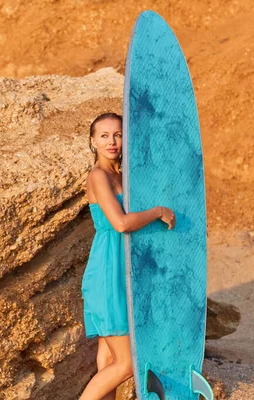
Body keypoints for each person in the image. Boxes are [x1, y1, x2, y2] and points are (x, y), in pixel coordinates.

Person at [79, 112, 176, 400]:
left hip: (122, 269)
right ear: (93, 141)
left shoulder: (122, 176)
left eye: (118, 135)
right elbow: (120, 223)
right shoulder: (98, 176)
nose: (112, 141)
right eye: (105, 135)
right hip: (108, 272)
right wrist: (159, 212)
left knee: (108, 362)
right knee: (128, 362)